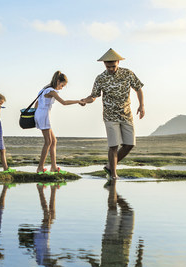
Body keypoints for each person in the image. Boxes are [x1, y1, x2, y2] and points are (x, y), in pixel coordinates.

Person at [80, 48, 145, 180]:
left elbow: (138, 88)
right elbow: (94, 96)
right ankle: (113, 175)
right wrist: (86, 101)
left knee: (129, 144)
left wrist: (141, 105)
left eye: (113, 66)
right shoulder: (100, 78)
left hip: (126, 114)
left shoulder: (128, 74)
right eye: (108, 66)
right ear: (104, 64)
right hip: (110, 115)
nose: (110, 69)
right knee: (113, 145)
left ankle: (110, 166)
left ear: (118, 63)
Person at [34, 71, 83, 174]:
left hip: (40, 114)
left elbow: (37, 103)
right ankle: (40, 167)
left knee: (53, 141)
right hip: (44, 116)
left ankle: (53, 167)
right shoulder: (51, 91)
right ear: (57, 81)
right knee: (48, 142)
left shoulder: (43, 90)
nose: (62, 88)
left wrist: (38, 114)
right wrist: (78, 101)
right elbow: (64, 103)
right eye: (62, 85)